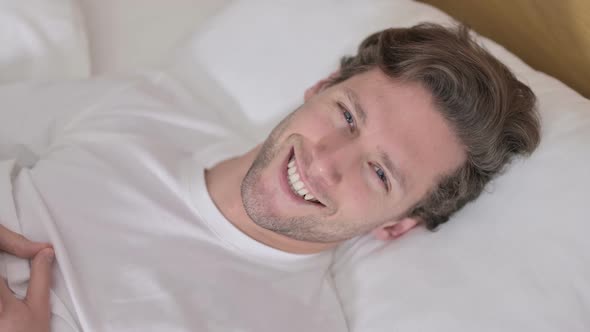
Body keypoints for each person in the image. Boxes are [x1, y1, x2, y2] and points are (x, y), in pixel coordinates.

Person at [0, 23, 540, 331]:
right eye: (347, 116)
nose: (327, 160)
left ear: (399, 225)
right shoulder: (140, 109)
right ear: (321, 86)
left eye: (378, 173)